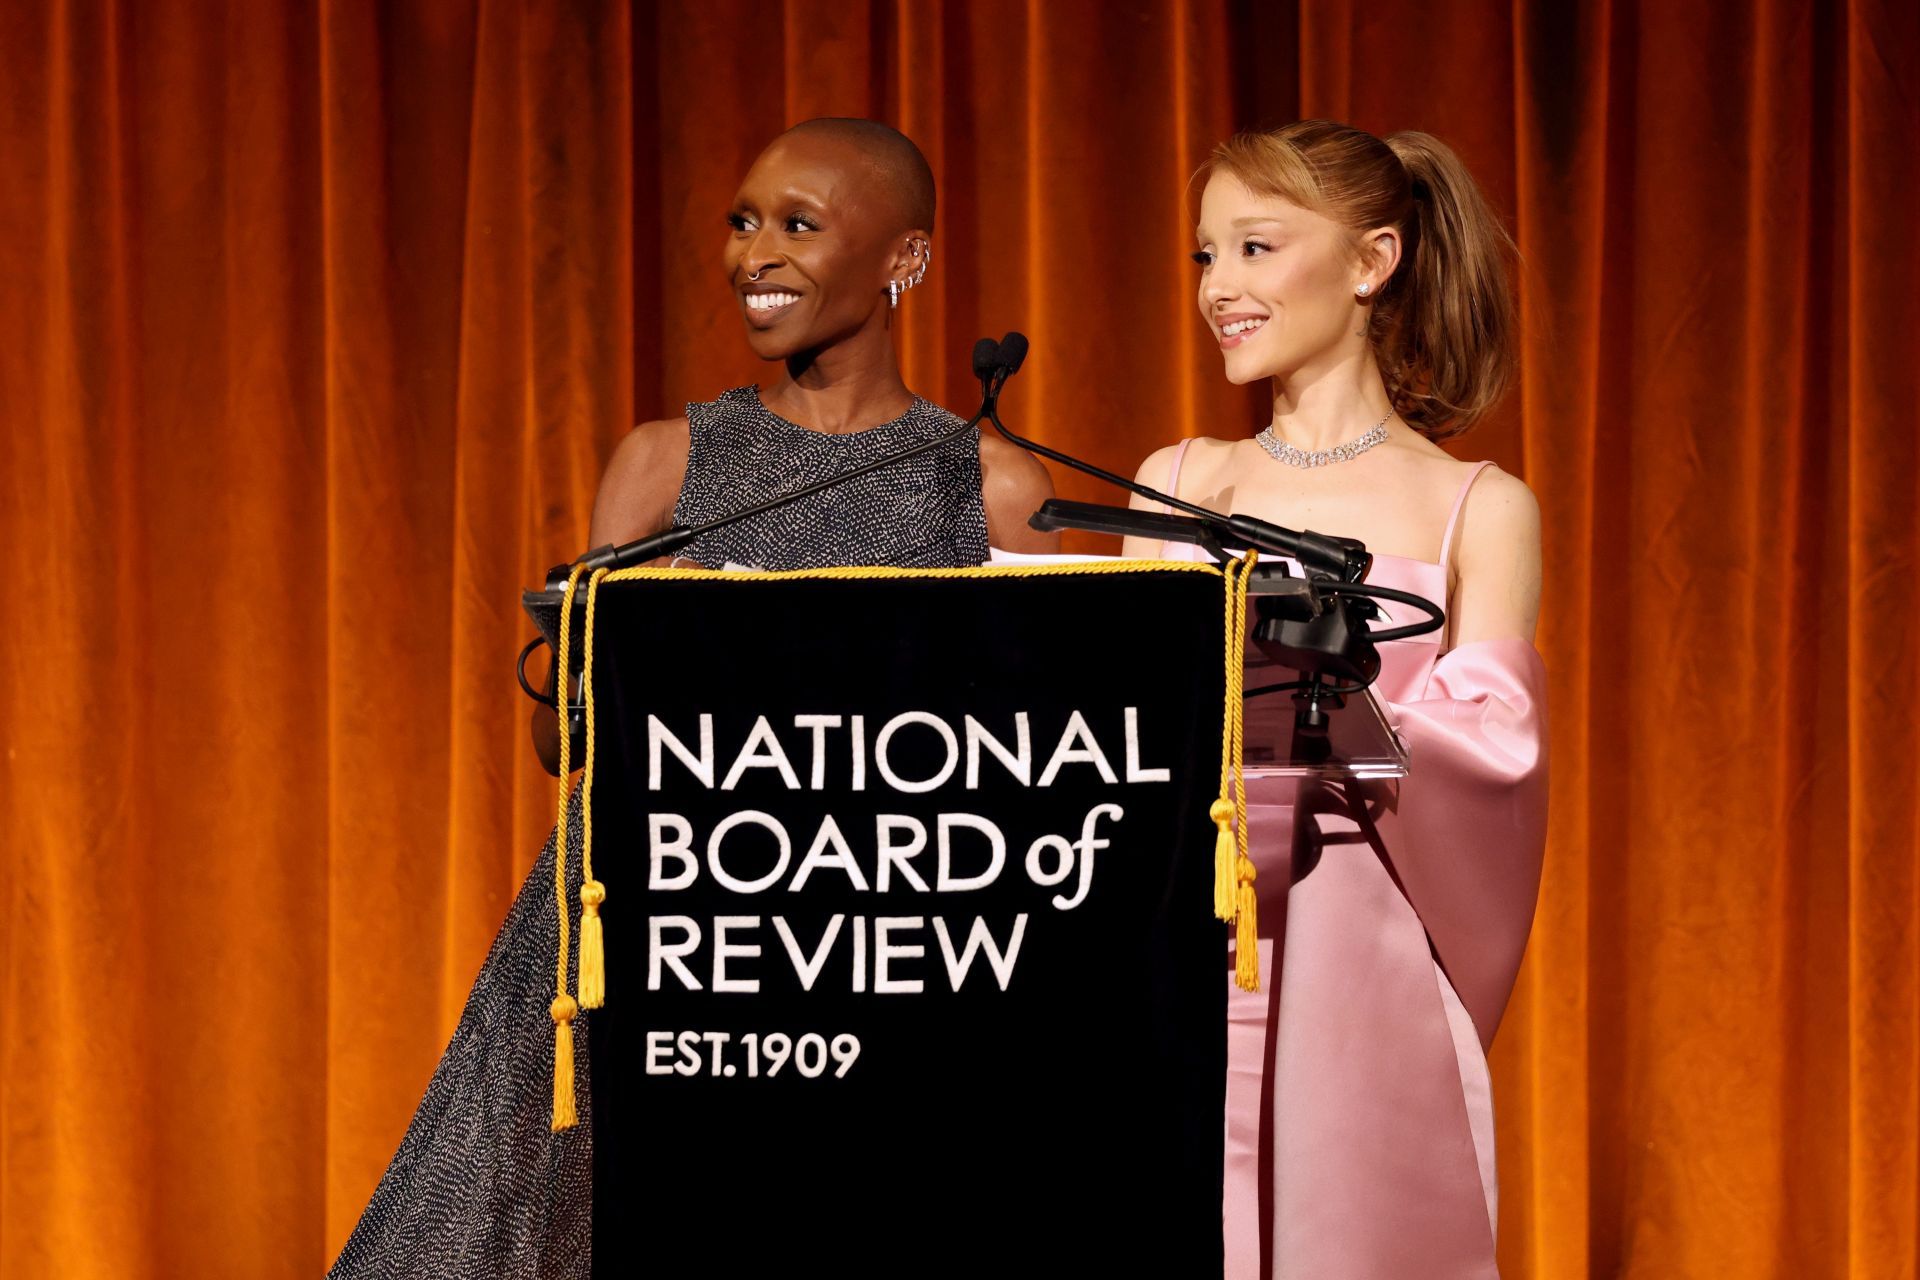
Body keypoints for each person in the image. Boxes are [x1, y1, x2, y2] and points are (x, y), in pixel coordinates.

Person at [332, 118, 1053, 1279]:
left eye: (798, 226)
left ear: (903, 259)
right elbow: (562, 741)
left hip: (869, 955)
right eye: (742, 221)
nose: (753, 253)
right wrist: (596, 655)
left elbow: (1026, 770)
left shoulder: (989, 481)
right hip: (650, 930)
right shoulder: (667, 462)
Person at [1122, 120, 1548, 1277]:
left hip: (1361, 960)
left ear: (1371, 262)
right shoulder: (1173, 481)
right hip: (1184, 942)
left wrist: (1338, 707)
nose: (1222, 288)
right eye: (1207, 256)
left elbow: (1495, 753)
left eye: (1256, 247)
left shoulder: (1477, 503)